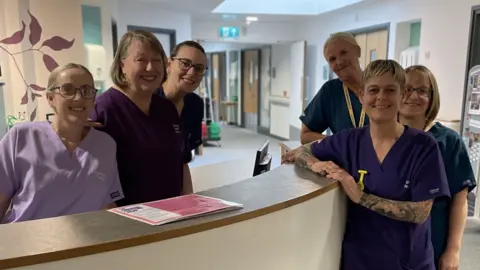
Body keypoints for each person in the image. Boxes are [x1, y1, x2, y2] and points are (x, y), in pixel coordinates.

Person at [292, 60, 450, 270]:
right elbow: (302, 151)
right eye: (373, 90)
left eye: (390, 90)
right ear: (361, 96)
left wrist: (361, 197)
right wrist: (315, 165)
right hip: (360, 259)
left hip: (408, 261)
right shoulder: (348, 140)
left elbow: (420, 212)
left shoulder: (422, 146)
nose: (381, 97)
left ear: (402, 95)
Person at [0, 63, 123, 223]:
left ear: (93, 99)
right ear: (51, 99)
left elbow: (106, 204)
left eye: (86, 91)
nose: (78, 98)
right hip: (28, 243)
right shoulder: (21, 137)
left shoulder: (105, 145)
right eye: (68, 90)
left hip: (85, 243)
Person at [90, 30, 193, 207]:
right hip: (128, 223)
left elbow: (181, 163)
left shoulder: (166, 108)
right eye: (141, 60)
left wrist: (189, 204)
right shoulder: (103, 110)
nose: (150, 68)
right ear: (122, 65)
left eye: (156, 60)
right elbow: (95, 181)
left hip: (173, 215)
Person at [399, 65, 477, 270]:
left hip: (432, 241)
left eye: (422, 90)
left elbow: (459, 201)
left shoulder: (449, 142)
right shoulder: (380, 137)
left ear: (432, 97)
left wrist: (453, 250)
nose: (412, 96)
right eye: (406, 89)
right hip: (386, 243)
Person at [300, 32, 369, 144]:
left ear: (358, 51)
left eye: (344, 53)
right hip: (344, 159)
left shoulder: (381, 85)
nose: (339, 61)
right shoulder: (330, 91)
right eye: (332, 59)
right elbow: (305, 136)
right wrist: (338, 142)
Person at [155, 40, 206, 164]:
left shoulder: (195, 104)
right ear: (169, 64)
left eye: (199, 68)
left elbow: (184, 158)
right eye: (185, 63)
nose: (192, 72)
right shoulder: (148, 101)